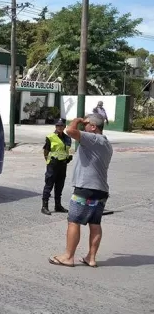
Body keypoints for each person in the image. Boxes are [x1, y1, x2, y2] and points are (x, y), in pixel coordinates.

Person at [49, 115, 113, 268]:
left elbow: (70, 131)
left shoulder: (92, 138)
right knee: (95, 223)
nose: (84, 126)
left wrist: (78, 120)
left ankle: (68, 257)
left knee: (73, 221)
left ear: (93, 127)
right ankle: (91, 258)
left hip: (86, 188)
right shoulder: (106, 143)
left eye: (87, 124)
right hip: (101, 190)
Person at [41, 118, 73, 215]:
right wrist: (48, 160)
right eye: (58, 125)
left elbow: (66, 150)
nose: (59, 127)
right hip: (53, 164)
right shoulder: (50, 137)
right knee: (49, 184)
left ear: (64, 126)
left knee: (60, 185)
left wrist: (67, 158)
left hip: (63, 164)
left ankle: (58, 205)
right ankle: (44, 206)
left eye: (61, 125)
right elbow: (46, 151)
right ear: (55, 126)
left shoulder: (67, 138)